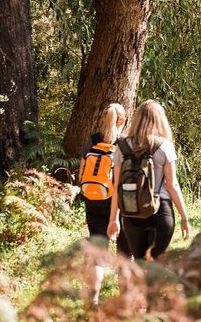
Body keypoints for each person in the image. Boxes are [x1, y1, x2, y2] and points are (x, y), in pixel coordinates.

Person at [107, 100, 190, 260]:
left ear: (136, 119)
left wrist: (113, 219)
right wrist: (184, 218)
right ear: (160, 120)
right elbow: (172, 185)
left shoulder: (122, 146)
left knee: (139, 263)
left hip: (132, 212)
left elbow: (117, 185)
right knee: (156, 265)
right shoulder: (164, 146)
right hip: (161, 211)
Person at [78, 103, 131, 307]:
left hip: (93, 199)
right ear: (123, 120)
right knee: (125, 253)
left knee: (98, 250)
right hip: (119, 204)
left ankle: (93, 299)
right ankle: (125, 299)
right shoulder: (125, 143)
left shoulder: (93, 140)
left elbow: (82, 170)